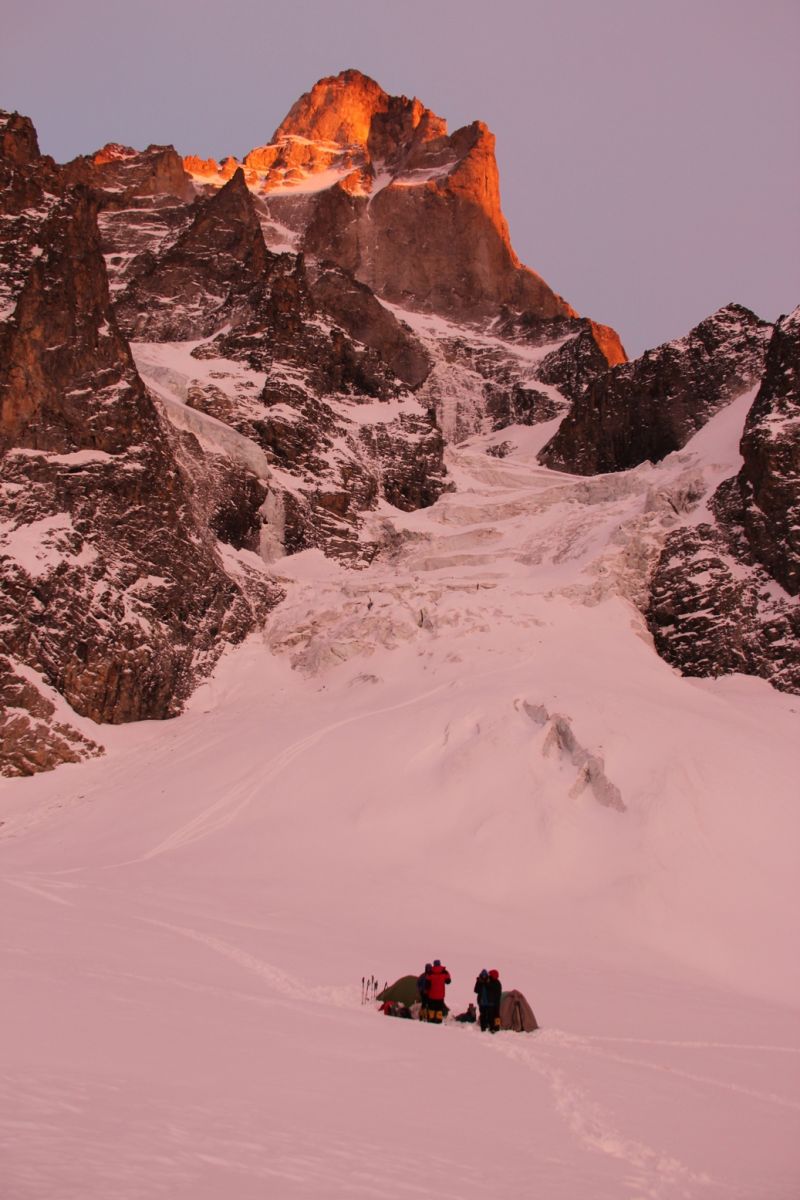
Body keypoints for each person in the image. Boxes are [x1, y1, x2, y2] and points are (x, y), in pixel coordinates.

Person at [425, 959, 451, 1024]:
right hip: (440, 995)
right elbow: (448, 981)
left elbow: (427, 984)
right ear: (440, 964)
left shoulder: (430, 972)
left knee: (432, 1008)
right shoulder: (444, 972)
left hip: (432, 994)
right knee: (439, 1008)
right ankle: (439, 1020)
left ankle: (431, 1019)